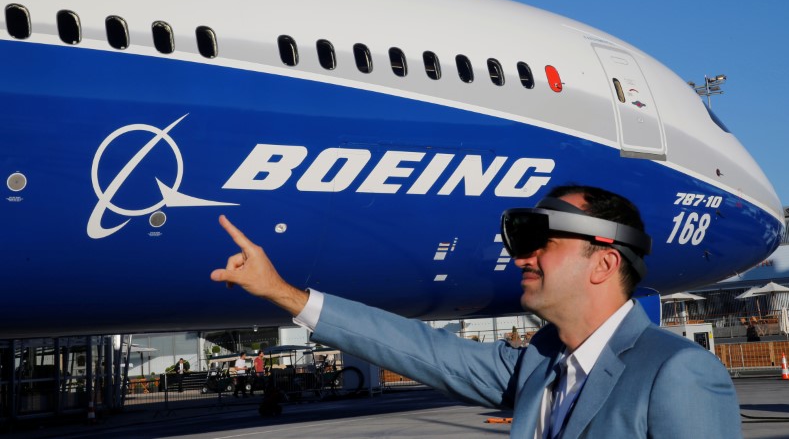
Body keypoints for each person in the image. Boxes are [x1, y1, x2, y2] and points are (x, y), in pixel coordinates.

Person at [211, 185, 742, 438]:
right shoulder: (539, 363)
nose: (519, 257)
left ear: (603, 262)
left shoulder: (676, 373)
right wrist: (284, 294)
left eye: (540, 242)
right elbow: (422, 350)